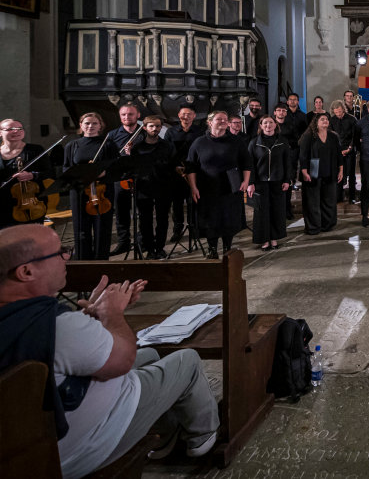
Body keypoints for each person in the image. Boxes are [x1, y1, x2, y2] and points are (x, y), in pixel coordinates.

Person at [0, 225, 219, 477]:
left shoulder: (26, 318)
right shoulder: (60, 327)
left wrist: (92, 316)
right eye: (59, 253)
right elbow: (123, 359)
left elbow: (63, 353)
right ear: (26, 271)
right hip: (80, 446)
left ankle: (165, 434)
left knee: (151, 355)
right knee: (187, 360)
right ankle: (202, 437)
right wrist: (112, 314)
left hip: (32, 440)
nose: (67, 257)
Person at [186, 110, 251, 258]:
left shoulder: (236, 141)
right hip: (207, 188)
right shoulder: (199, 142)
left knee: (229, 219)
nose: (223, 122)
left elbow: (246, 162)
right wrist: (193, 187)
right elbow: (191, 167)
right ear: (210, 123)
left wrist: (246, 181)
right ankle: (212, 249)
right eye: (219, 119)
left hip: (230, 187)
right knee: (211, 220)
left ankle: (227, 248)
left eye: (225, 119)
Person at [64, 113, 116, 260]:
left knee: (102, 227)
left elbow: (116, 167)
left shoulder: (107, 144)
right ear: (81, 126)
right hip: (79, 190)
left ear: (100, 126)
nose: (90, 126)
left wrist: (104, 172)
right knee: (81, 228)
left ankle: (101, 260)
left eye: (94, 123)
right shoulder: (72, 145)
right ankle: (83, 260)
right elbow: (65, 169)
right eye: (86, 123)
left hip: (102, 190)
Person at [130, 116, 175, 260]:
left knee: (163, 219)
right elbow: (133, 168)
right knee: (145, 220)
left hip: (164, 187)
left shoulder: (167, 145)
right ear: (144, 128)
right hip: (144, 188)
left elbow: (173, 165)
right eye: (151, 126)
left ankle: (160, 248)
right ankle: (150, 249)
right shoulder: (137, 147)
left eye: (157, 126)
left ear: (161, 127)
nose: (155, 129)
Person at [247, 115, 293, 251]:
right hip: (260, 183)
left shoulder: (283, 142)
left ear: (275, 125)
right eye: (265, 123)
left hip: (278, 182)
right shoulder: (254, 143)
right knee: (261, 213)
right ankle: (264, 240)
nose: (268, 125)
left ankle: (274, 238)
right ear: (261, 125)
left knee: (277, 211)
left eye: (271, 122)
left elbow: (287, 163)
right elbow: (250, 164)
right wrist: (250, 182)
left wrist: (287, 180)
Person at [0, 118, 52, 230]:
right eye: (10, 129)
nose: (16, 131)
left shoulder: (35, 150)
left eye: (19, 128)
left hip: (31, 204)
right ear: (0, 132)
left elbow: (50, 172)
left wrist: (32, 175)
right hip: (3, 204)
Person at [164, 105, 204, 243]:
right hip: (177, 172)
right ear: (179, 115)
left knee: (193, 201)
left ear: (194, 116)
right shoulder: (171, 132)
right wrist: (176, 166)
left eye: (189, 114)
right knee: (177, 203)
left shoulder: (200, 131)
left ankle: (194, 229)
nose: (185, 117)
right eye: (183, 114)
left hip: (194, 172)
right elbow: (167, 151)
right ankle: (177, 230)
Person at [299, 114, 343, 235]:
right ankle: (313, 227)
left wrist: (341, 170)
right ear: (316, 122)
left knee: (329, 200)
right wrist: (304, 172)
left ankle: (327, 224)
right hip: (312, 172)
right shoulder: (308, 136)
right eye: (322, 119)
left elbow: (339, 155)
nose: (325, 121)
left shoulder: (333, 136)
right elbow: (303, 156)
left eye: (327, 119)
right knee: (312, 202)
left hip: (330, 171)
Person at [108, 103, 142, 256]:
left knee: (143, 212)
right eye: (123, 115)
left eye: (130, 114)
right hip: (120, 179)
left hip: (141, 178)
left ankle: (142, 241)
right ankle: (123, 243)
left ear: (138, 115)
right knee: (121, 213)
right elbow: (109, 158)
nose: (127, 117)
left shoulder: (145, 133)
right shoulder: (113, 135)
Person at [329, 100, 359, 204]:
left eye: (340, 112)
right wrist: (338, 150)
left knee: (351, 174)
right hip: (338, 150)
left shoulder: (352, 119)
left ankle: (352, 197)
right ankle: (339, 197)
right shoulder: (332, 120)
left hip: (350, 149)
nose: (338, 114)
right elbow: (331, 137)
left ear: (344, 109)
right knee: (339, 174)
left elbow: (355, 136)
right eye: (336, 112)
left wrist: (349, 148)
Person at [272, 104, 297, 220]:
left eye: (283, 111)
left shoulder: (291, 126)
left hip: (288, 158)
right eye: (279, 110)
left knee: (288, 185)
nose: (281, 112)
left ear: (286, 113)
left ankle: (287, 210)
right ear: (274, 113)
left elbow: (296, 142)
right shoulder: (271, 125)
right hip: (274, 160)